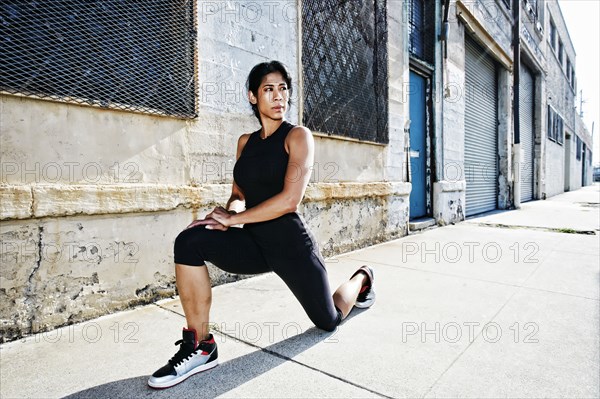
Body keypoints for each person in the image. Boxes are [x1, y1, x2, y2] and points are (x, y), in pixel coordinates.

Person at [148, 60, 375, 389]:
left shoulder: (298, 137)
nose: (279, 96)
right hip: (254, 244)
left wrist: (235, 218)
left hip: (291, 247)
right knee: (189, 240)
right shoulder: (245, 143)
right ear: (253, 97)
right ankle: (200, 345)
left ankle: (362, 278)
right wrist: (225, 215)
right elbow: (239, 194)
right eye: (269, 89)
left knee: (328, 320)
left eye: (283, 88)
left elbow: (289, 200)